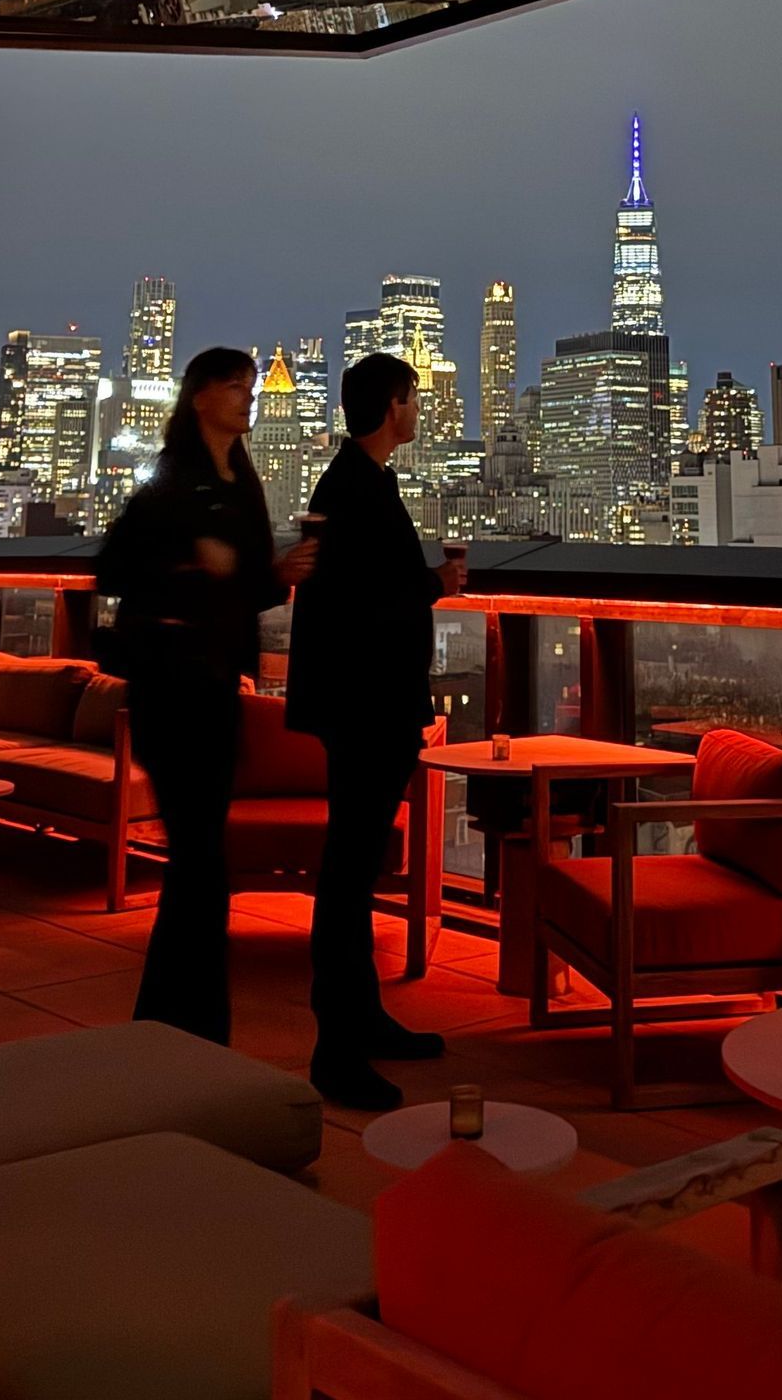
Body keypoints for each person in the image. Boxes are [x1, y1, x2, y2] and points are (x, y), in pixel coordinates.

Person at [96, 347, 315, 1043]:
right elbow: (113, 568)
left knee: (199, 860)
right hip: (170, 685)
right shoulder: (173, 480)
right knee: (200, 860)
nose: (248, 398)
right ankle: (186, 1027)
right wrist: (191, 561)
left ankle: (171, 1023)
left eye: (251, 387)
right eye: (234, 387)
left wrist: (280, 573)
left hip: (217, 684)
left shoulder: (243, 484)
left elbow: (245, 590)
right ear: (199, 397)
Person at [286, 351, 466, 1109]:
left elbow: (346, 593)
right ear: (393, 406)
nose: (420, 410)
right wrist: (436, 584)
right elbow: (361, 600)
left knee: (351, 872)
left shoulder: (354, 481)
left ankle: (360, 1020)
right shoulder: (356, 487)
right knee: (347, 874)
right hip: (365, 707)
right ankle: (337, 1049)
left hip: (360, 704)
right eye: (414, 398)